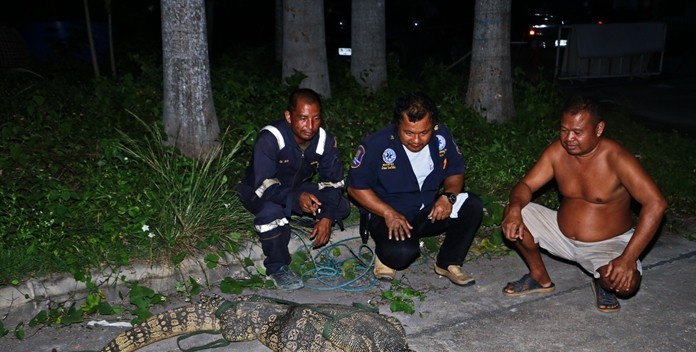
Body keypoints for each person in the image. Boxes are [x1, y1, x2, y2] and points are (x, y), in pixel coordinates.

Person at [501, 95, 667, 312]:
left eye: (577, 132)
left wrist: (628, 258)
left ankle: (602, 282)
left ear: (598, 129)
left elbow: (656, 203)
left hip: (607, 244)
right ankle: (538, 276)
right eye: (564, 130)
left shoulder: (616, 158)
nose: (569, 138)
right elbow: (526, 185)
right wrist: (514, 209)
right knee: (515, 213)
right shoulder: (557, 153)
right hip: (560, 233)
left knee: (626, 285)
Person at [347, 91, 483, 285]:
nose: (417, 140)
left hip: (428, 209)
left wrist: (448, 197)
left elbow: (455, 171)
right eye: (409, 133)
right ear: (398, 126)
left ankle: (448, 262)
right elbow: (355, 187)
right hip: (389, 214)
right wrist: (387, 212)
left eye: (424, 132)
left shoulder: (441, 136)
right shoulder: (377, 143)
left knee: (472, 205)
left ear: (433, 126)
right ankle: (385, 254)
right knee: (401, 255)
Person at [235, 88, 350, 290]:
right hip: (259, 189)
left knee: (340, 207)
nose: (310, 126)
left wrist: (327, 218)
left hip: (295, 188)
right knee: (271, 212)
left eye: (316, 118)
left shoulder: (325, 141)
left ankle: (295, 216)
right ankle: (278, 267)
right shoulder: (270, 138)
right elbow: (266, 184)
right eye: (303, 118)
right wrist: (296, 198)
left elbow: (333, 182)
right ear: (289, 116)